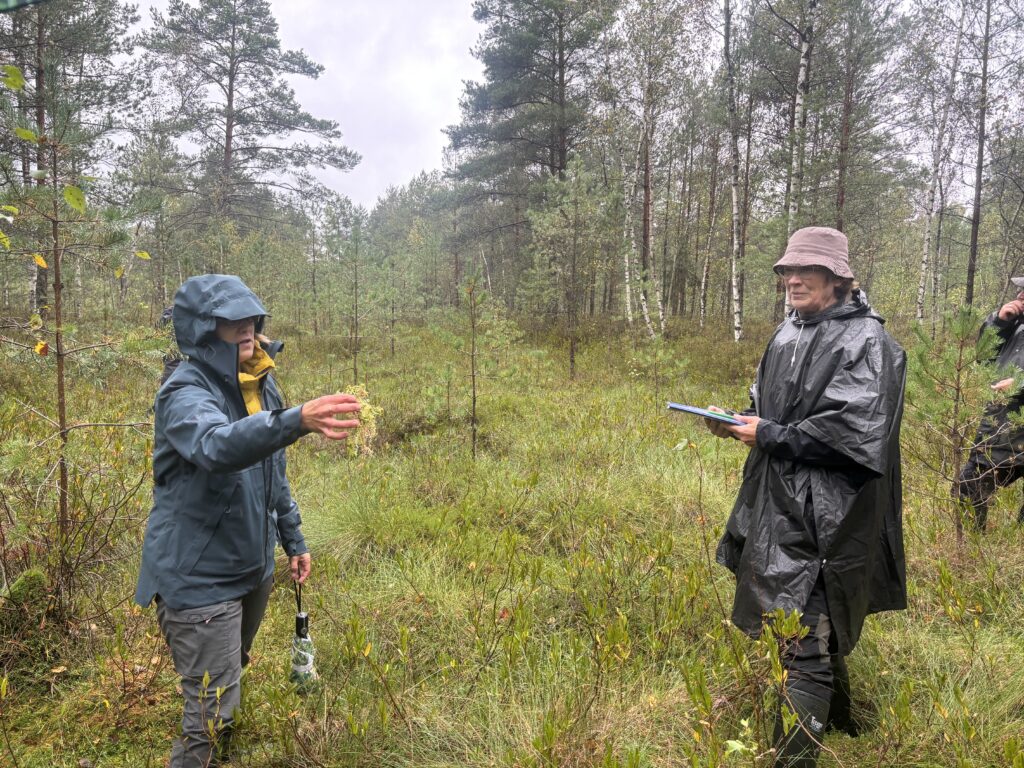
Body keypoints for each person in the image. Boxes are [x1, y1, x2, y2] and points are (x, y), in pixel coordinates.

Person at [135, 274, 361, 767]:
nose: (245, 330)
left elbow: (270, 469)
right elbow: (217, 445)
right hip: (199, 578)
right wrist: (294, 420)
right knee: (210, 720)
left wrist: (292, 538)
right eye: (229, 322)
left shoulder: (259, 382)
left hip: (250, 567)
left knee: (227, 676)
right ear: (202, 330)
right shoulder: (184, 392)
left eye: (250, 320)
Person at [705, 227, 907, 767]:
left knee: (805, 631)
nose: (792, 279)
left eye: (807, 271)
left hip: (833, 511)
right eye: (787, 271)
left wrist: (769, 434)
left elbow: (855, 434)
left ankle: (795, 758)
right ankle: (843, 720)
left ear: (838, 279)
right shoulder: (788, 333)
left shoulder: (868, 342)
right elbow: (768, 402)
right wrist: (738, 422)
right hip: (779, 500)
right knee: (802, 616)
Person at [955, 280, 1024, 531]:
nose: (1019, 294)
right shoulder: (1014, 324)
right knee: (970, 481)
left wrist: (1020, 383)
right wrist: (1000, 323)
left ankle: (1016, 545)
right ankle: (974, 541)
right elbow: (983, 359)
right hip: (1002, 421)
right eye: (1020, 289)